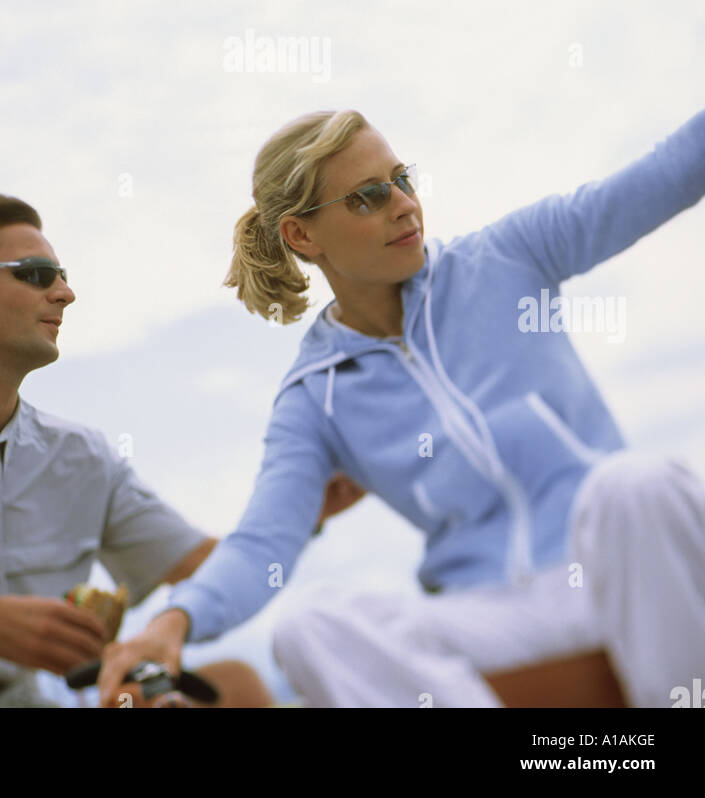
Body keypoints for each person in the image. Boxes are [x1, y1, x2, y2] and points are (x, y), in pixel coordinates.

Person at [97, 107, 705, 709]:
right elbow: (263, 543)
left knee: (636, 485)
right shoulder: (315, 396)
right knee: (309, 627)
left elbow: (667, 173)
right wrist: (171, 623)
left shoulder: (506, 258)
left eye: (402, 179)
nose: (404, 204)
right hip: (489, 613)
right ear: (302, 235)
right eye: (366, 198)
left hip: (621, 572)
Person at [0, 193, 357, 708]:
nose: (65, 293)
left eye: (61, 275)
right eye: (37, 273)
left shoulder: (81, 459)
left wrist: (304, 508)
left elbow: (206, 565)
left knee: (237, 688)